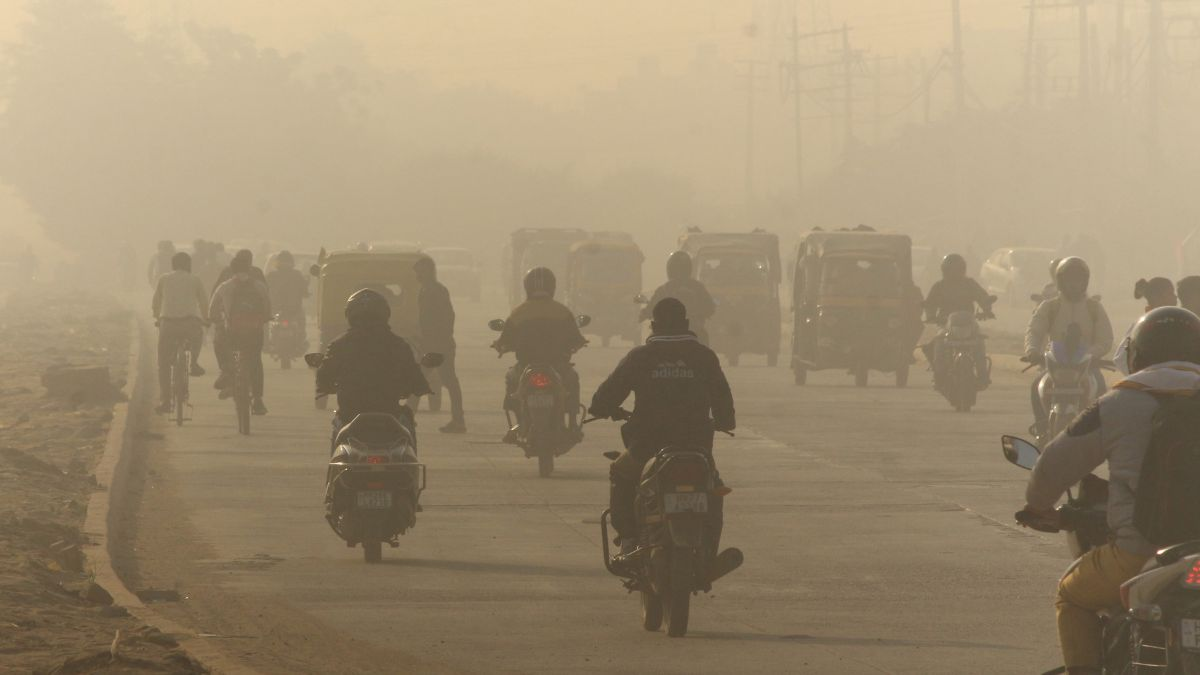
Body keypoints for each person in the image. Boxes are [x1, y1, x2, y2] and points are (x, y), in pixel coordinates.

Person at [1020, 306, 1200, 675]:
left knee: (1071, 596)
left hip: (1140, 555)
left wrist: (1038, 507)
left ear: (1137, 354)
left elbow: (1052, 466)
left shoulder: (1120, 402)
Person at [588, 298, 735, 557]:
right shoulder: (703, 356)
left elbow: (606, 397)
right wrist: (724, 422)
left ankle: (630, 539)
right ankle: (709, 549)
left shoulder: (640, 357)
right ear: (686, 323)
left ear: (653, 325)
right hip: (696, 445)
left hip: (647, 445)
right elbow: (723, 399)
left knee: (621, 474)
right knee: (713, 488)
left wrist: (602, 408)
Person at [316, 289, 432, 451]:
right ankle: (412, 472)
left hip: (350, 413)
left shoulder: (338, 345)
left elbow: (324, 375)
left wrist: (324, 387)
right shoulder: (399, 345)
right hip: (389, 411)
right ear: (384, 315)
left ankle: (334, 467)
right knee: (407, 421)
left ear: (350, 315)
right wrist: (420, 386)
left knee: (337, 425)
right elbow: (414, 375)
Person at [492, 267, 587, 443]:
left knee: (511, 380)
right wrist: (579, 343)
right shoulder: (562, 312)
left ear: (527, 287)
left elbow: (505, 339)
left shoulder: (518, 312)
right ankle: (573, 424)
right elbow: (576, 338)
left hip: (525, 367)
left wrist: (500, 346)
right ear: (553, 287)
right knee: (572, 380)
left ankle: (518, 424)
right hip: (557, 366)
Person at [1023, 257, 1114, 436]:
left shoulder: (1094, 308)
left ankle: (1099, 434)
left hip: (1087, 366)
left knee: (1102, 389)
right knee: (1036, 386)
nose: (1074, 284)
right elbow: (1034, 331)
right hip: (1055, 366)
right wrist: (1032, 350)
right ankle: (1041, 429)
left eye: (1078, 280)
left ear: (1085, 282)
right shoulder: (1050, 307)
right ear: (1060, 281)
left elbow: (1105, 338)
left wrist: (1092, 354)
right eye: (1070, 280)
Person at [209, 253, 271, 415]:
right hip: (254, 332)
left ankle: (227, 372)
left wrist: (214, 319)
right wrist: (264, 319)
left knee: (219, 343)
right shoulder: (259, 286)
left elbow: (212, 308)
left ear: (232, 269)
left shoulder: (225, 286)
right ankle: (258, 400)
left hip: (232, 333)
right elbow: (267, 307)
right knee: (256, 361)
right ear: (249, 269)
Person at [922, 254, 996, 389]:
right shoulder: (939, 286)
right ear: (945, 270)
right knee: (939, 344)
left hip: (969, 324)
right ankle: (939, 376)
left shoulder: (970, 284)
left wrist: (987, 309)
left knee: (979, 343)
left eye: (957, 270)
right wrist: (931, 316)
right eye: (951, 270)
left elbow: (982, 297)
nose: (954, 273)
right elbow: (930, 304)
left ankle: (982, 374)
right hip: (946, 325)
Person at [151, 252, 209, 413]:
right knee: (198, 335)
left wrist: (157, 317)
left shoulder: (164, 279)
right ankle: (194, 363)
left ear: (173, 265)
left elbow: (156, 301)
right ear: (188, 265)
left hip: (167, 323)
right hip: (189, 323)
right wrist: (206, 319)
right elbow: (204, 302)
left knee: (163, 363)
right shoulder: (195, 279)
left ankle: (165, 401)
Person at [415, 257, 466, 433]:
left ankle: (405, 420)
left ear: (428, 270)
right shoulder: (426, 290)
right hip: (434, 344)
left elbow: (448, 317)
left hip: (439, 346)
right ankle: (458, 420)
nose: (416, 274)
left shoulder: (436, 291)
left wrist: (440, 340)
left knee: (428, 381)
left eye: (419, 270)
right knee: (446, 381)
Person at [640, 251, 717, 345]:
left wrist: (644, 313)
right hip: (691, 330)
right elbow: (710, 307)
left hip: (667, 331)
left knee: (650, 343)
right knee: (704, 339)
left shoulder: (664, 289)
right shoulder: (698, 287)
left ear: (670, 269)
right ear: (689, 268)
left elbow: (651, 307)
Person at [1113, 277, 1176, 375]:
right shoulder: (1140, 326)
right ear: (1157, 297)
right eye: (1170, 293)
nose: (1175, 297)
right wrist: (1142, 378)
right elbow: (1121, 359)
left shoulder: (1178, 322)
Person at [266, 250, 310, 340]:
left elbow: (265, 291)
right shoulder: (297, 275)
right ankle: (301, 339)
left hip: (277, 309)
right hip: (293, 309)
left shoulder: (271, 275)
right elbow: (304, 291)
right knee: (301, 321)